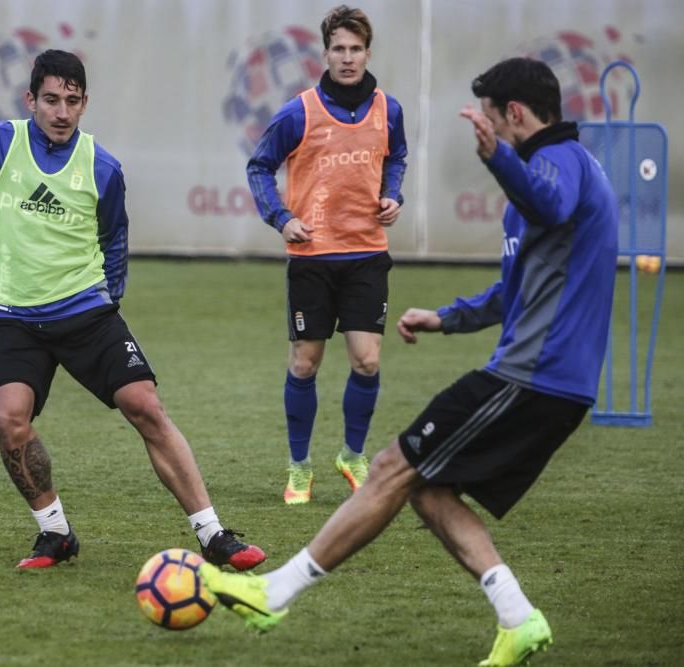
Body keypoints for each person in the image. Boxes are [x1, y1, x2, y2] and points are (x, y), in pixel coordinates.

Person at [200, 57, 618, 667]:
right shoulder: (547, 176)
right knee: (428, 488)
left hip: (534, 376)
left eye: (496, 121)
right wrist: (448, 318)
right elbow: (517, 289)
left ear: (518, 116)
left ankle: (274, 591)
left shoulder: (560, 165)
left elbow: (551, 205)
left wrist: (498, 159)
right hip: (545, 380)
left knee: (393, 464)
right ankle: (517, 617)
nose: (492, 132)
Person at [0, 50, 266, 571]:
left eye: (73, 102)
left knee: (145, 406)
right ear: (31, 100)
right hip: (12, 317)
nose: (62, 112)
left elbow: (115, 237)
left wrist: (110, 299)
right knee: (8, 419)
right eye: (52, 100)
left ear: (85, 104)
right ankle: (55, 533)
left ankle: (214, 534)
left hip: (85, 314)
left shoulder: (102, 167)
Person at [246, 5, 408, 505]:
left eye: (355, 48)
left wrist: (393, 194)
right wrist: (281, 217)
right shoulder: (299, 112)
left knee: (367, 360)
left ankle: (352, 454)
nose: (347, 58)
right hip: (312, 257)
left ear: (368, 52)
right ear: (325, 52)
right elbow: (259, 168)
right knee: (305, 364)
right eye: (338, 48)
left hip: (366, 253)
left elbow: (396, 156)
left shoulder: (389, 109)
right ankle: (299, 468)